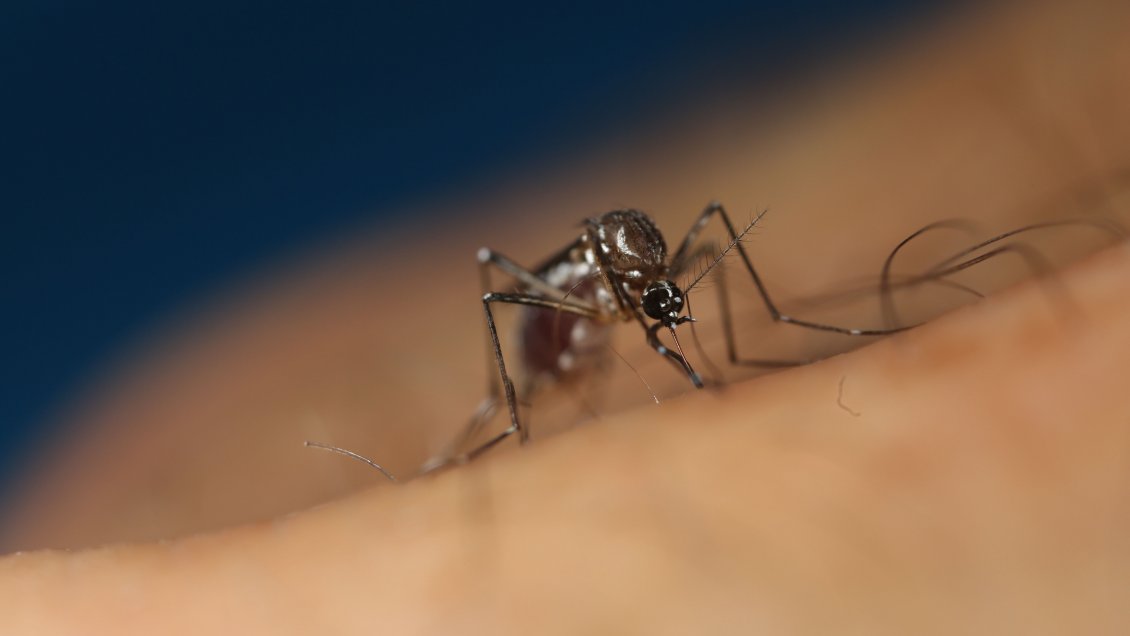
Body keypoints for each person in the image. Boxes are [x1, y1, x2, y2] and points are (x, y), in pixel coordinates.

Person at [2, 1, 1130, 632]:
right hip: (549, 323)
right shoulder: (600, 287)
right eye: (663, 305)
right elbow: (528, 281)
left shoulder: (666, 261)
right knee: (503, 273)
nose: (667, 311)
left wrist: (736, 342)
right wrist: (531, 389)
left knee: (709, 217)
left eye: (667, 307)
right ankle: (507, 422)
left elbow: (687, 252)